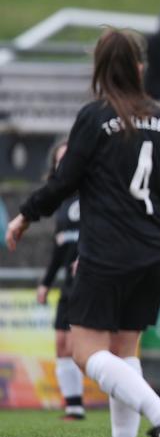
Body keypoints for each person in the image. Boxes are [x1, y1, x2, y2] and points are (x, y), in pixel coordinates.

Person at [5, 28, 160, 437]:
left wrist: (25, 214)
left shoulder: (94, 117)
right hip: (152, 249)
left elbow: (64, 180)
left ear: (99, 70)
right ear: (138, 67)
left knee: (84, 350)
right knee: (124, 349)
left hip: (106, 250)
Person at [36, 141, 85, 420]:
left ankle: (128, 393)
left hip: (91, 279)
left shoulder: (95, 194)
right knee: (61, 344)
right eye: (59, 160)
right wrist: (46, 282)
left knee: (87, 348)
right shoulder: (62, 203)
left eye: (69, 157)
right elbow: (60, 247)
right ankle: (74, 406)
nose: (63, 164)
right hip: (68, 281)